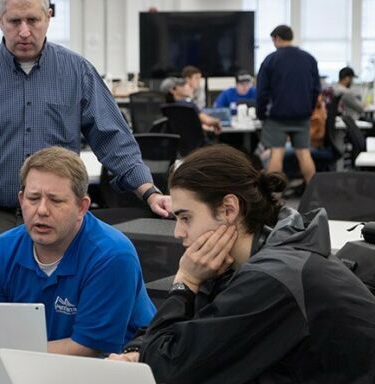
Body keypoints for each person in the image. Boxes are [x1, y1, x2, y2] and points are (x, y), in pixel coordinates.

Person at [0, 0, 171, 301]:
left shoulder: (77, 72)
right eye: (14, 21)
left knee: (52, 309)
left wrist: (148, 191)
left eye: (33, 20)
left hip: (54, 218)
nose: (24, 31)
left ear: (49, 17)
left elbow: (114, 139)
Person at [108, 144, 375, 383]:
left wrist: (185, 283)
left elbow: (169, 371)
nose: (178, 232)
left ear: (229, 210)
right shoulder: (250, 254)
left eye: (185, 217)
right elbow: (185, 335)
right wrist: (136, 352)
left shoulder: (272, 275)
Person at [0, 147, 156, 356]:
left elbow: (89, 348)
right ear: (21, 200)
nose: (41, 210)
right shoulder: (0, 251)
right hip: (26, 365)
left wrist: (6, 352)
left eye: (56, 200)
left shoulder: (112, 255)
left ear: (82, 207)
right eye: (33, 198)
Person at [256, 25, 320, 183]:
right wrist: (309, 110)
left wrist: (261, 114)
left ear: (276, 38)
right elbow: (316, 89)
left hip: (277, 117)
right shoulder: (309, 59)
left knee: (276, 154)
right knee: (304, 154)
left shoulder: (271, 60)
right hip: (302, 116)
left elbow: (262, 91)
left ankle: (272, 198)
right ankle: (314, 194)